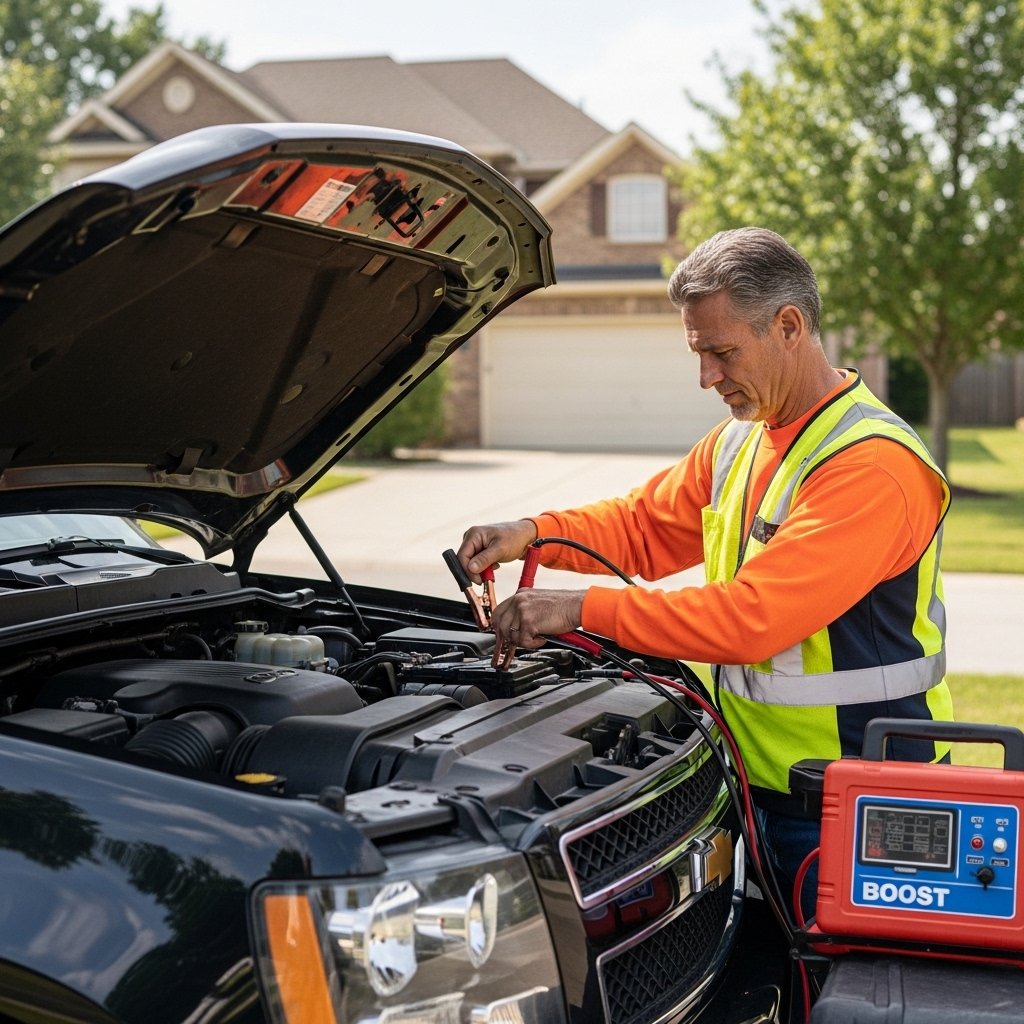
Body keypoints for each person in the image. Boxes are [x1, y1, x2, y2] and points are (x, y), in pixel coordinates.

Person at [456, 226, 954, 910]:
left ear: (788, 326)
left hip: (865, 807)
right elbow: (642, 526)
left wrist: (577, 609)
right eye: (699, 354)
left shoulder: (872, 466)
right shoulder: (740, 442)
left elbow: (754, 618)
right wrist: (534, 534)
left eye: (722, 353)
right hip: (758, 788)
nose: (706, 378)